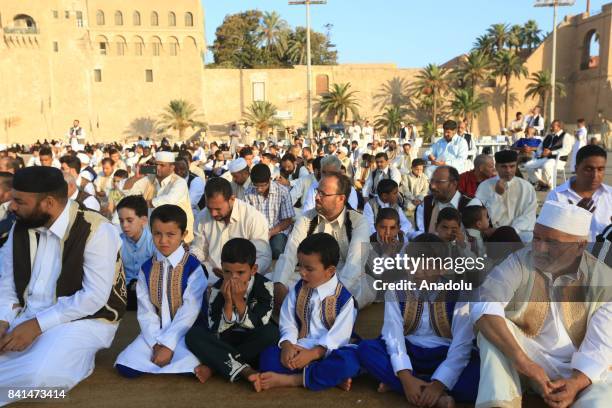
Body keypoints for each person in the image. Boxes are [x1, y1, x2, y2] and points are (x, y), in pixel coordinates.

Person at [0, 167, 125, 404]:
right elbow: (7, 284)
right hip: (25, 314)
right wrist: (3, 320)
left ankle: (76, 359)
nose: (11, 206)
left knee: (39, 376)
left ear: (47, 203)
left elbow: (93, 297)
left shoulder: (96, 229)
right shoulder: (20, 225)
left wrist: (37, 325)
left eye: (19, 201)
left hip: (81, 320)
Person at [470, 201, 612, 407]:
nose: (539, 248)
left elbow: (600, 347)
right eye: (536, 237)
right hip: (527, 359)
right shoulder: (520, 261)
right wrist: (525, 363)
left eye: (552, 242)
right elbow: (484, 304)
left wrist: (575, 383)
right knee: (491, 327)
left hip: (580, 367)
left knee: (601, 399)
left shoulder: (604, 279)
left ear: (580, 246)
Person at [357, 233, 479, 407]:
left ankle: (403, 385)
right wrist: (406, 378)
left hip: (444, 354)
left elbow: (461, 346)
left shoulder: (459, 294)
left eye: (428, 264)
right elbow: (393, 337)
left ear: (443, 267)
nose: (418, 271)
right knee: (366, 349)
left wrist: (438, 384)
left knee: (483, 372)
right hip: (409, 351)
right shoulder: (396, 290)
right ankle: (417, 388)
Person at [259, 233, 359, 392]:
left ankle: (294, 380)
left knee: (348, 363)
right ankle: (327, 377)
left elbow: (339, 338)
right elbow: (288, 321)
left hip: (328, 352)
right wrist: (287, 345)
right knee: (268, 358)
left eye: (309, 269)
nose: (302, 273)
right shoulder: (299, 289)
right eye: (300, 266)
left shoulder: (345, 300)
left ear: (330, 270)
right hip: (298, 348)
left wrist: (312, 354)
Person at [115, 205, 207, 378]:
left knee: (188, 366)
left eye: (170, 234)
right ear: (151, 232)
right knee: (125, 365)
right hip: (155, 333)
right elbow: (145, 311)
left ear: (184, 235)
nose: (163, 240)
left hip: (187, 331)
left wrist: (169, 345)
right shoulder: (147, 268)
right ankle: (163, 356)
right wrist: (155, 342)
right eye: (157, 234)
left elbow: (190, 311)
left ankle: (174, 358)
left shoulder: (193, 267)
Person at [185, 238, 278, 389]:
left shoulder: (265, 286)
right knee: (193, 335)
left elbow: (260, 323)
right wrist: (228, 303)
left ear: (253, 270)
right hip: (226, 340)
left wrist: (239, 301)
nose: (233, 277)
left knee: (272, 334)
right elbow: (214, 328)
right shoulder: (217, 289)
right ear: (221, 268)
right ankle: (245, 370)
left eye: (240, 272)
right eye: (227, 272)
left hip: (252, 342)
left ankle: (215, 366)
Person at [274, 173, 373, 309]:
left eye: (323, 194)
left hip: (344, 279)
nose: (316, 197)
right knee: (273, 280)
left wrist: (332, 295)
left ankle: (320, 307)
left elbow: (354, 265)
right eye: (317, 192)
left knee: (363, 287)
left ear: (341, 198)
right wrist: (280, 284)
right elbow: (290, 253)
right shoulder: (306, 219)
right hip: (311, 275)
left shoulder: (358, 221)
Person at [191, 177, 272, 284]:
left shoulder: (253, 218)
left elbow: (263, 257)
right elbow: (199, 249)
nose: (213, 213)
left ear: (232, 199)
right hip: (211, 276)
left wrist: (240, 275)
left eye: (218, 209)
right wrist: (190, 261)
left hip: (244, 279)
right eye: (210, 208)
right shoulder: (202, 216)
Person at [546, 145, 610, 242]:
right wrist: (575, 218)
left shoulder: (610, 195)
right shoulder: (557, 196)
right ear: (576, 169)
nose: (595, 175)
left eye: (600, 169)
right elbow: (548, 236)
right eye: (589, 169)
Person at [476, 150, 537, 242]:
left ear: (516, 166)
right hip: (493, 233)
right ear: (496, 167)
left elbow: (528, 217)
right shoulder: (484, 186)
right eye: (504, 167)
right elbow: (485, 218)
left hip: (520, 231)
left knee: (529, 238)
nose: (508, 170)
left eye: (512, 166)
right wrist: (497, 195)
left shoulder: (527, 187)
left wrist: (509, 232)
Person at [244, 164, 295, 260]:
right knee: (251, 254)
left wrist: (270, 233)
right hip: (257, 232)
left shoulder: (283, 191)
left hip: (278, 231)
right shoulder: (248, 193)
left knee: (277, 251)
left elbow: (287, 221)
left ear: (269, 180)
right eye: (256, 186)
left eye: (263, 186)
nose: (259, 189)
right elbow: (247, 218)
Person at [117, 195, 156, 311]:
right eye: (121, 221)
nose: (124, 225)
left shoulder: (153, 242)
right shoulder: (117, 242)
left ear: (143, 221)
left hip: (148, 291)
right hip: (125, 292)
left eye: (129, 220)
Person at [148, 151, 195, 243]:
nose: (157, 168)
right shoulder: (151, 178)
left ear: (172, 167)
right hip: (157, 234)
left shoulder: (180, 182)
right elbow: (137, 170)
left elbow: (169, 200)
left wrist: (148, 203)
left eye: (162, 165)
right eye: (156, 165)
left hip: (179, 236)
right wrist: (141, 172)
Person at [414, 166, 471, 236]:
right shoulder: (426, 204)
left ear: (454, 184)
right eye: (431, 181)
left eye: (439, 182)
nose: (432, 186)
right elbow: (421, 234)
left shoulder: (470, 205)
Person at [524, 120, 573, 191]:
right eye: (551, 126)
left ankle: (552, 188)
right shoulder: (549, 136)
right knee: (528, 165)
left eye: (553, 126)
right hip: (545, 158)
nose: (551, 128)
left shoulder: (566, 136)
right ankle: (541, 183)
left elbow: (566, 150)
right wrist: (541, 152)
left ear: (559, 127)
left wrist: (551, 152)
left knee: (547, 165)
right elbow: (540, 147)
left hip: (558, 159)